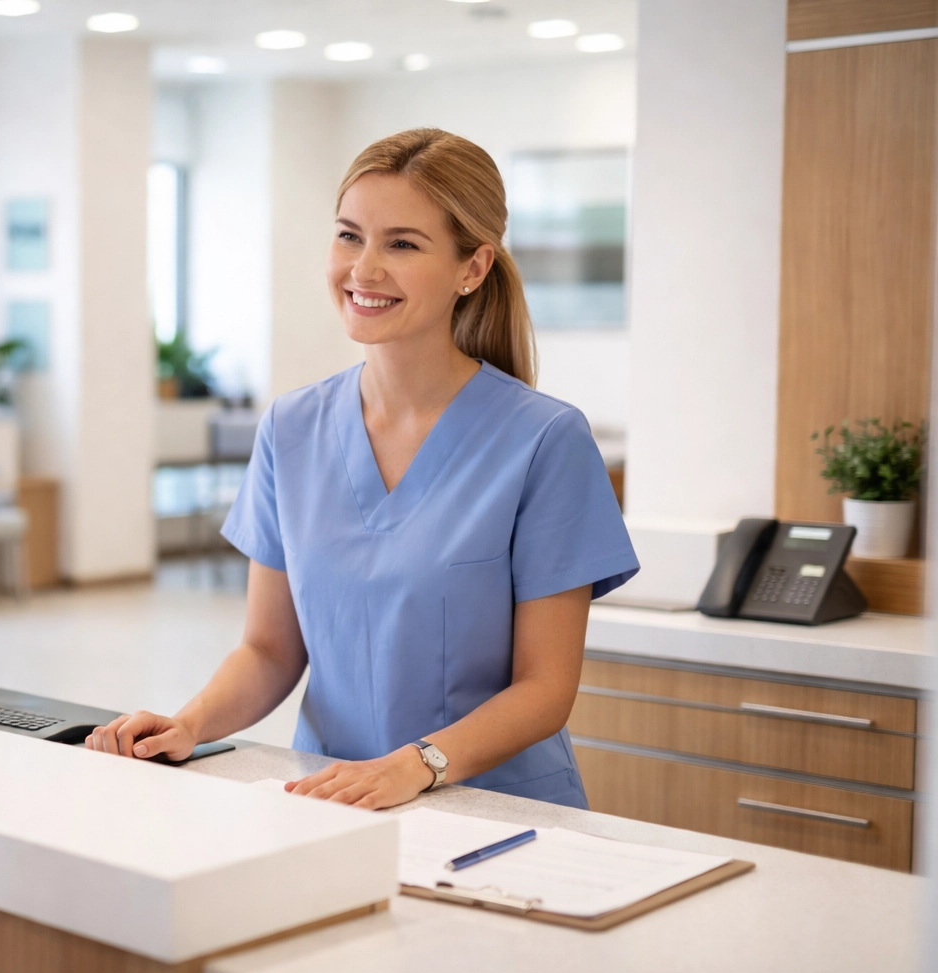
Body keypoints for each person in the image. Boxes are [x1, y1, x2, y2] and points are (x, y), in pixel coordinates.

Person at [88, 128, 638, 810]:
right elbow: (268, 651)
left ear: (473, 268)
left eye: (402, 244)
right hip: (331, 799)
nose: (363, 269)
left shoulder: (544, 440)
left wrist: (415, 766)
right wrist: (189, 724)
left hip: (496, 810)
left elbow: (545, 689)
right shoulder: (291, 429)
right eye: (349, 236)